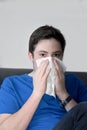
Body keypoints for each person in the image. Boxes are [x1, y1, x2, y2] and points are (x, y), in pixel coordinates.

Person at [0, 25, 87, 130]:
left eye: (56, 55)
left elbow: (83, 116)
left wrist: (63, 93)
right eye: (42, 55)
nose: (50, 60)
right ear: (31, 56)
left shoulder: (73, 82)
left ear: (62, 56)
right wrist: (37, 93)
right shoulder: (12, 84)